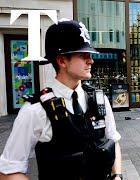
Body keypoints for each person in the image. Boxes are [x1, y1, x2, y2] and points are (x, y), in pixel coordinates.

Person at [0, 19, 123, 180]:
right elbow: (9, 170)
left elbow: (113, 141)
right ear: (62, 60)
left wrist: (117, 176)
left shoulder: (99, 100)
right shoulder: (36, 110)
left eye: (90, 55)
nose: (91, 61)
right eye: (83, 55)